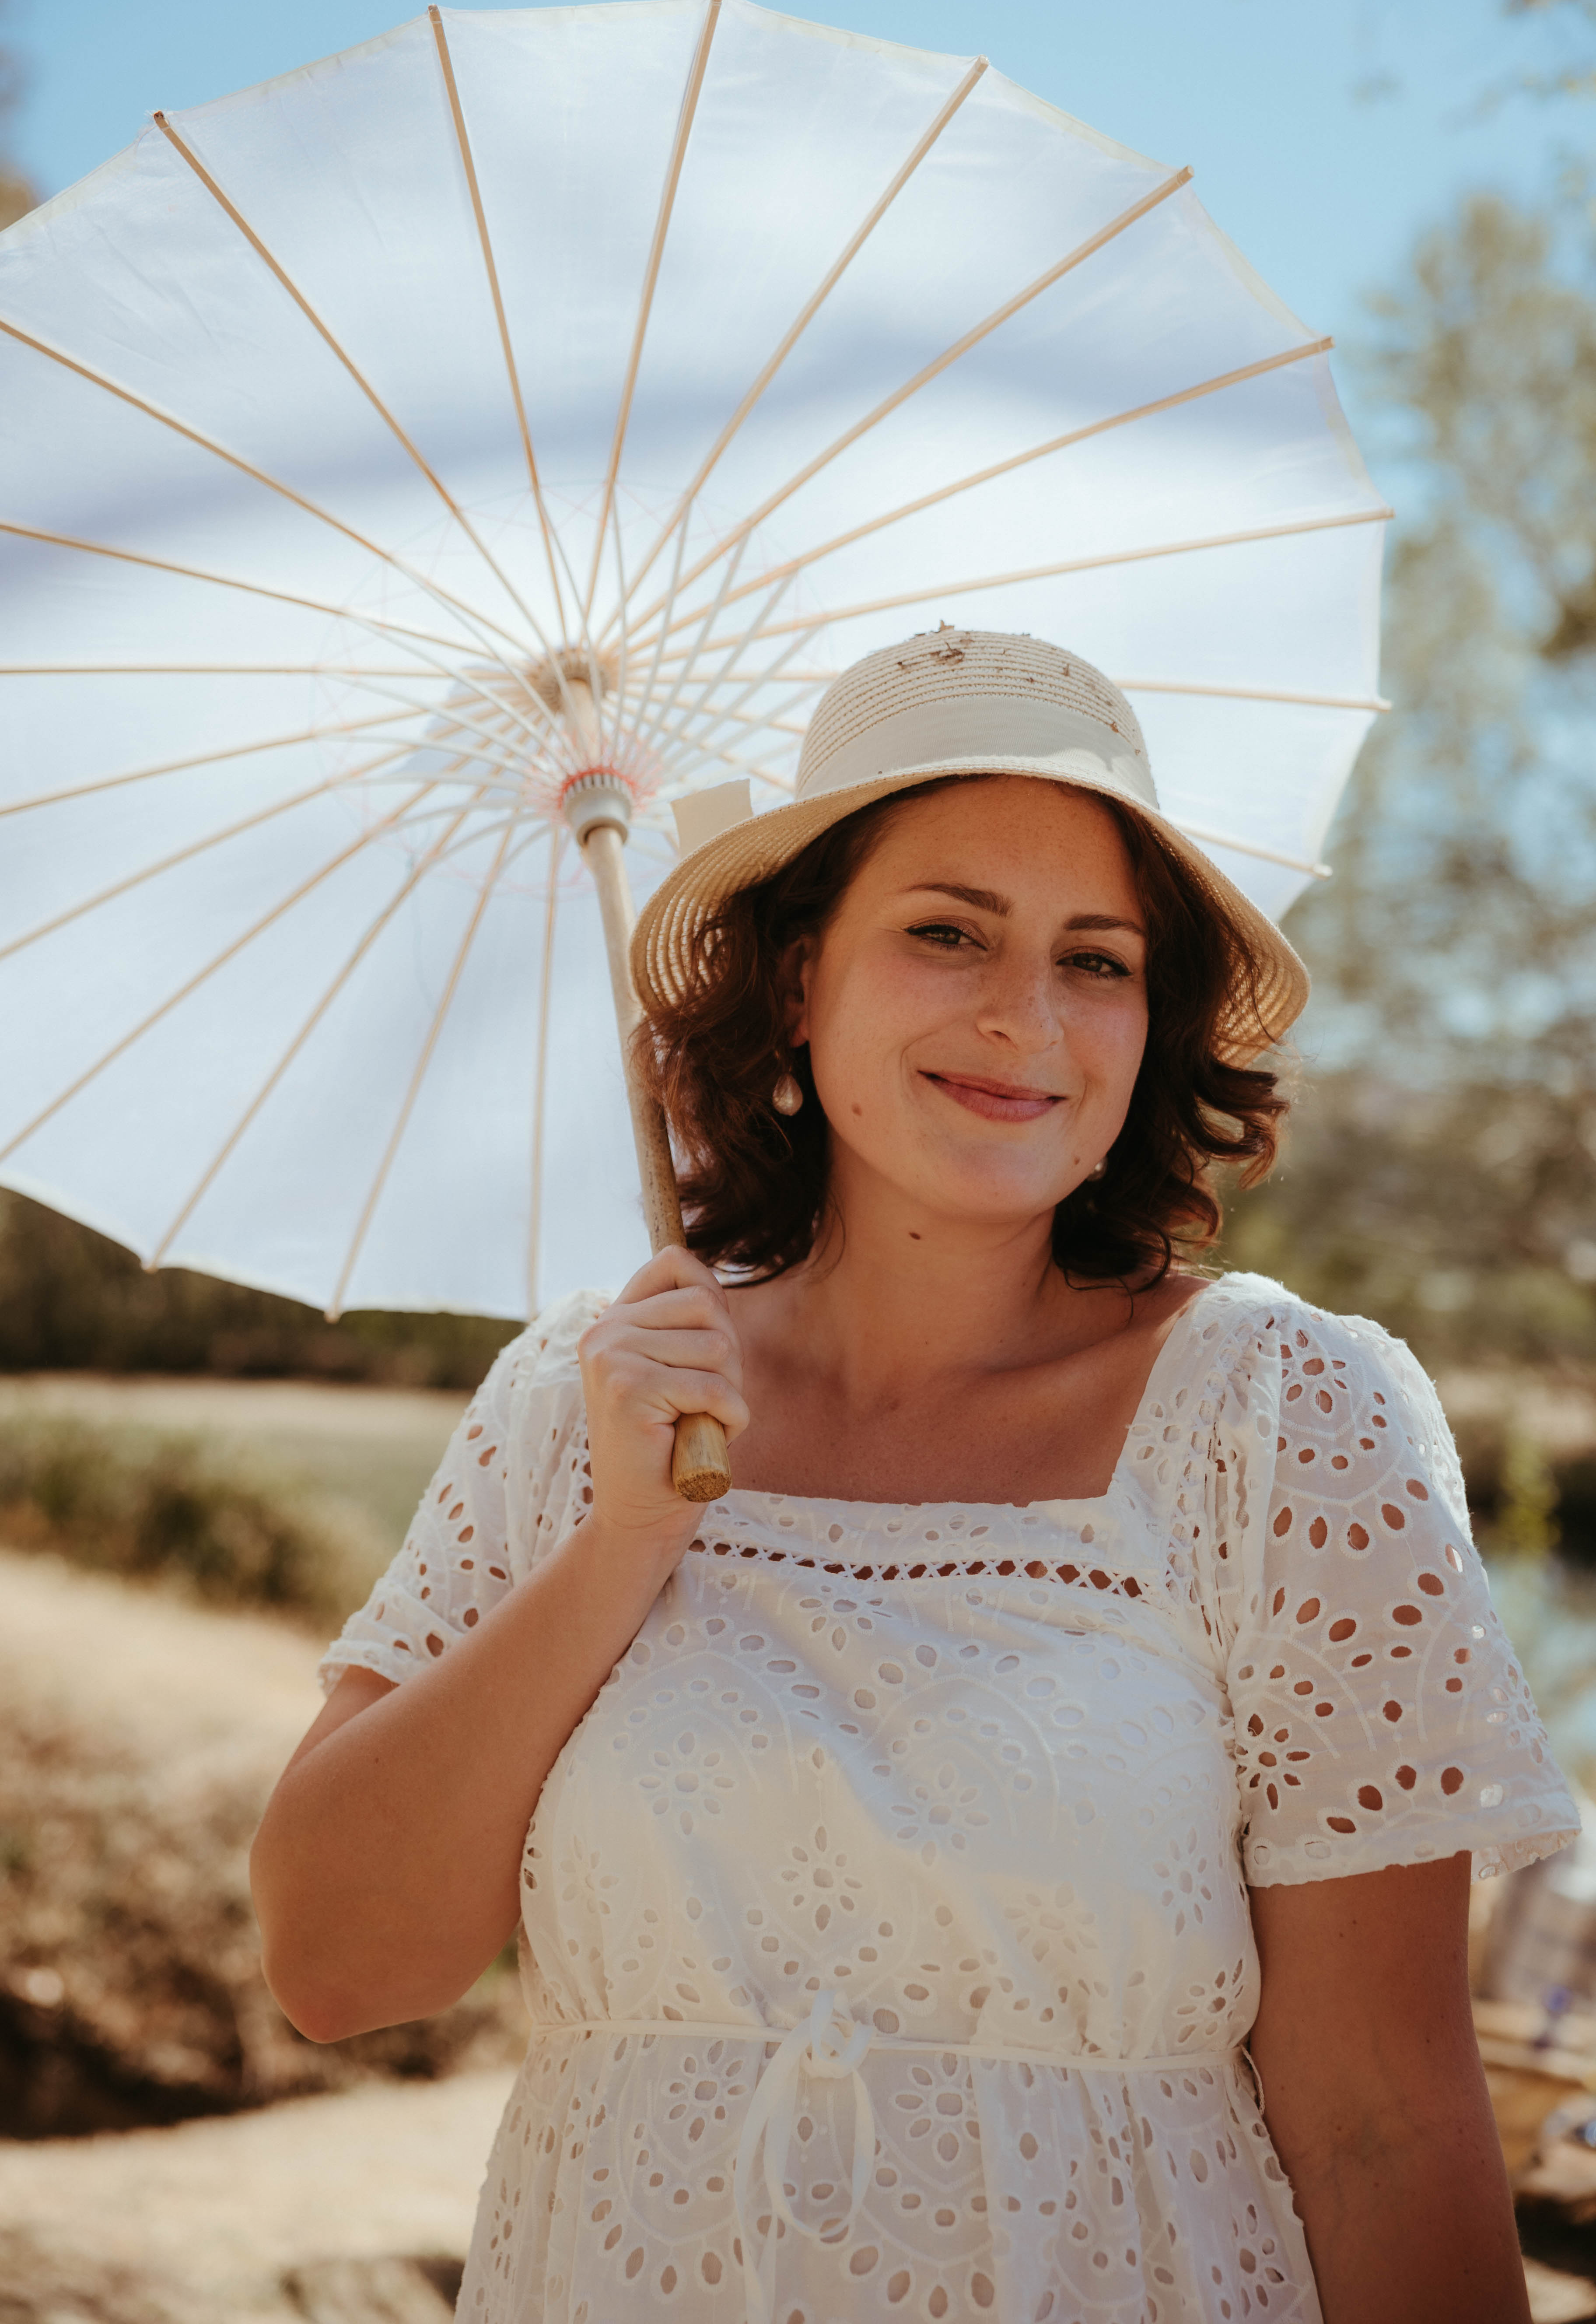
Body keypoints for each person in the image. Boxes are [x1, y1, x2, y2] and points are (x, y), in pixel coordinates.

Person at [252, 628, 1576, 2324]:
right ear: (799, 985)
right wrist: (618, 1546)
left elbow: (1387, 2122)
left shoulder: (1286, 1422)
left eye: (1095, 961)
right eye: (947, 932)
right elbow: (337, 1960)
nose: (1025, 1018)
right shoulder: (575, 1406)